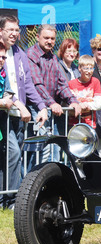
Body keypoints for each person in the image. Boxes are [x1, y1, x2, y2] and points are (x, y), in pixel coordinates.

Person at [0, 15, 46, 209]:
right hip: (5, 113)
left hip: (18, 116)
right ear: (0, 31)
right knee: (13, 153)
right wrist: (18, 104)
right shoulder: (1, 53)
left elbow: (28, 84)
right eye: (10, 29)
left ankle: (5, 200)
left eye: (17, 30)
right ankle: (10, 200)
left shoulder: (20, 53)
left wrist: (42, 106)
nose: (14, 33)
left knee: (11, 157)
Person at [27, 24, 82, 164]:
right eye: (46, 38)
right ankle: (30, 184)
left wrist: (73, 101)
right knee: (40, 151)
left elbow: (62, 84)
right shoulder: (31, 55)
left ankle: (51, 185)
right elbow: (37, 84)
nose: (49, 41)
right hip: (36, 109)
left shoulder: (52, 58)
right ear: (38, 37)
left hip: (52, 111)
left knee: (55, 150)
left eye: (52, 38)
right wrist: (51, 102)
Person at [68, 55, 101, 128]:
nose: (89, 71)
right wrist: (80, 106)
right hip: (74, 124)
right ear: (80, 68)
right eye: (86, 68)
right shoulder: (71, 83)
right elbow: (68, 104)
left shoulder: (95, 82)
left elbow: (98, 102)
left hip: (90, 124)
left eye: (91, 68)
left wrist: (87, 106)